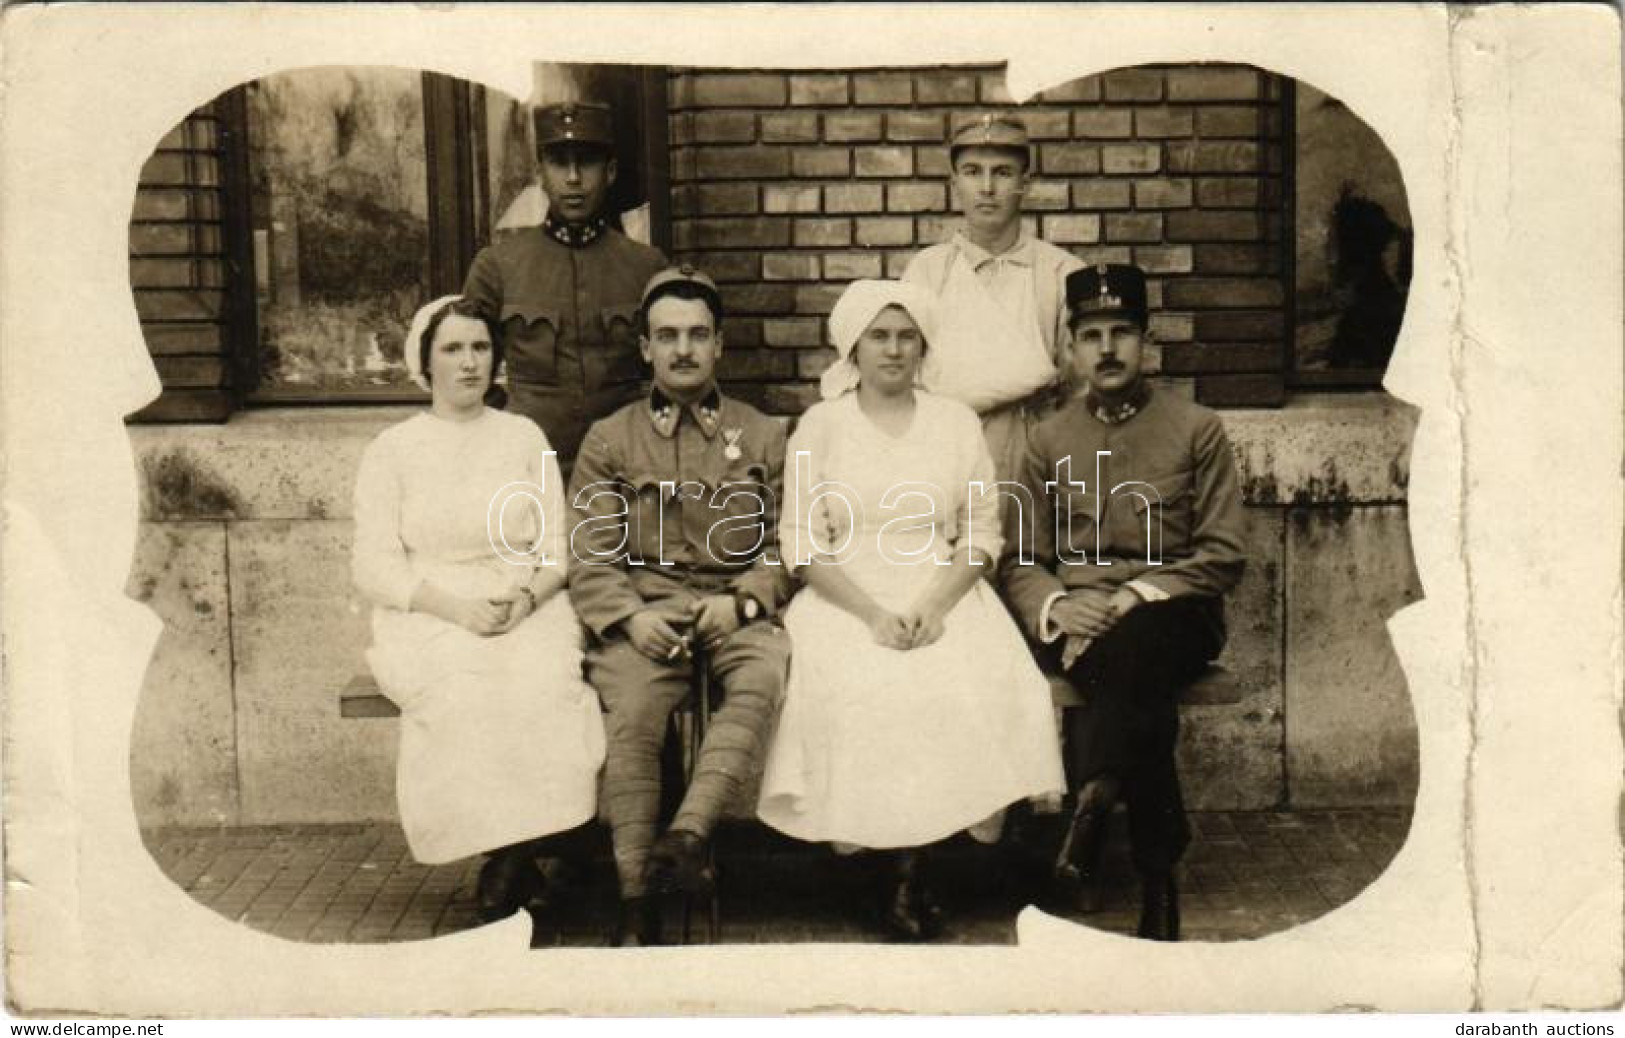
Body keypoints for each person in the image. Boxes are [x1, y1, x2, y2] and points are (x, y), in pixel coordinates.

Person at [756, 280, 1065, 942]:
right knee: (857, 680)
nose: (893, 350)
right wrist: (870, 613)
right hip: (843, 589)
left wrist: (933, 604)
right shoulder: (822, 425)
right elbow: (802, 543)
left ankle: (910, 868)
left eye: (905, 337)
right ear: (852, 346)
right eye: (879, 336)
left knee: (956, 673)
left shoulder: (953, 422)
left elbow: (982, 532)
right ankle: (879, 865)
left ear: (922, 347)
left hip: (941, 582)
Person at [1001, 264, 1248, 941]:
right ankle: (1155, 875)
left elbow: (1223, 552)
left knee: (1134, 647)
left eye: (1121, 333)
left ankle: (1097, 787)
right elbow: (1021, 555)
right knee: (1134, 682)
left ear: (1145, 342)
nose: (1106, 348)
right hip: (1076, 621)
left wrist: (1134, 595)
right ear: (1071, 350)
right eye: (1090, 335)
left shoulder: (1196, 429)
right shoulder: (1047, 439)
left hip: (1174, 612)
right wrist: (1054, 606)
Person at [351, 295, 606, 937]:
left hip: (522, 600)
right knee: (465, 687)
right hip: (431, 608)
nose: (469, 363)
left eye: (480, 349)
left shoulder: (522, 437)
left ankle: (515, 857)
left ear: (497, 360)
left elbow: (558, 548)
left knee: (543, 682)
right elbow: (375, 568)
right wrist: (456, 608)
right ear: (425, 361)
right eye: (453, 349)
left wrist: (525, 600)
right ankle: (507, 860)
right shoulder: (394, 448)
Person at [567, 265, 794, 946]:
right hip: (646, 611)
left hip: (734, 610)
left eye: (697, 334)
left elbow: (789, 542)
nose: (683, 349)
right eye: (667, 336)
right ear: (645, 349)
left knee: (760, 677)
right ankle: (637, 899)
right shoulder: (610, 439)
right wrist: (629, 616)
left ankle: (687, 839)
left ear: (719, 345)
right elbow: (589, 550)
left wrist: (745, 601)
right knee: (633, 712)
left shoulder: (763, 435)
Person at [462, 101, 667, 471]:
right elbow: (467, 363)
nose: (573, 178)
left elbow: (668, 372)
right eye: (559, 163)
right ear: (541, 173)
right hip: (529, 466)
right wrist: (503, 426)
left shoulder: (646, 267)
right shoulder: (498, 266)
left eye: (587, 162)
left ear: (610, 171)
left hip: (625, 468)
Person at [901, 112, 1084, 482]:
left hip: (1035, 460)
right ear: (955, 184)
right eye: (972, 172)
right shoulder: (926, 272)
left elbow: (1081, 390)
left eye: (1002, 172)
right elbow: (905, 382)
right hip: (943, 458)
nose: (987, 187)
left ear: (1024, 184)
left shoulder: (1061, 273)